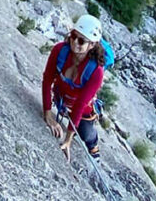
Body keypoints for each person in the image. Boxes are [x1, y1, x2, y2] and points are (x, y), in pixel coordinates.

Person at [42, 12, 109, 162]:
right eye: (73, 36)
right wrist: (47, 114)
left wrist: (67, 140)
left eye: (81, 41)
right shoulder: (60, 51)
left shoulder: (95, 72)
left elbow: (80, 104)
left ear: (92, 45)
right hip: (61, 99)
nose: (74, 43)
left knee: (85, 133)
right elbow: (47, 80)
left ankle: (93, 146)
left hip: (82, 109)